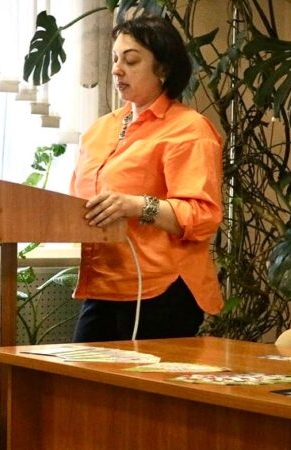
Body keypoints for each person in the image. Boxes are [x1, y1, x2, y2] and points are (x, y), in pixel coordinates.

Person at [70, 15, 224, 342]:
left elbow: (202, 216)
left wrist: (136, 206)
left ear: (163, 69)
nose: (117, 69)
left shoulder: (189, 129)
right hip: (102, 285)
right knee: (77, 373)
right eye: (114, 59)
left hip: (161, 289)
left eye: (130, 60)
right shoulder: (100, 129)